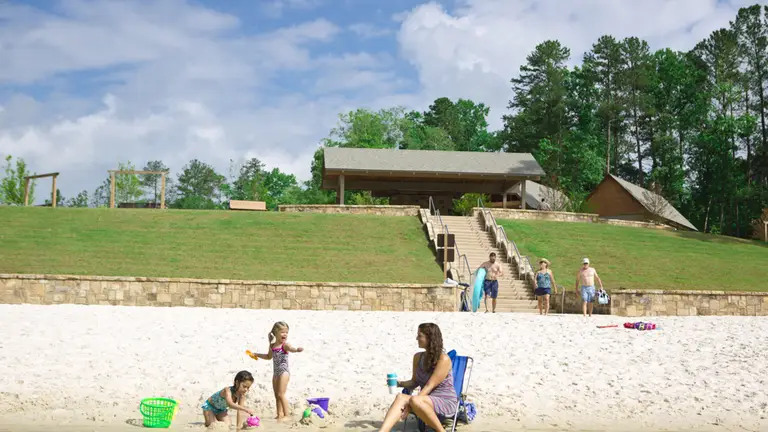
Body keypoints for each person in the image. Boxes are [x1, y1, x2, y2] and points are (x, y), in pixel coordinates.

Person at [379, 323, 458, 432]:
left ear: (430, 338)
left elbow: (429, 385)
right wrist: (398, 383)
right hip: (424, 399)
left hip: (444, 401)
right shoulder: (418, 357)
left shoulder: (443, 359)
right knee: (400, 397)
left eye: (420, 336)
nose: (417, 338)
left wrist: (410, 404)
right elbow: (414, 382)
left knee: (415, 399)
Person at [250, 321, 304, 421]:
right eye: (282, 332)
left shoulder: (285, 345)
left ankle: (287, 415)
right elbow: (268, 357)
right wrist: (257, 355)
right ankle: (279, 414)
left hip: (284, 372)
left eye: (286, 332)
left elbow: (291, 348)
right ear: (276, 332)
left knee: (281, 394)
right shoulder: (272, 346)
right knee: (276, 395)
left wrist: (297, 350)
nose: (285, 334)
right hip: (276, 373)